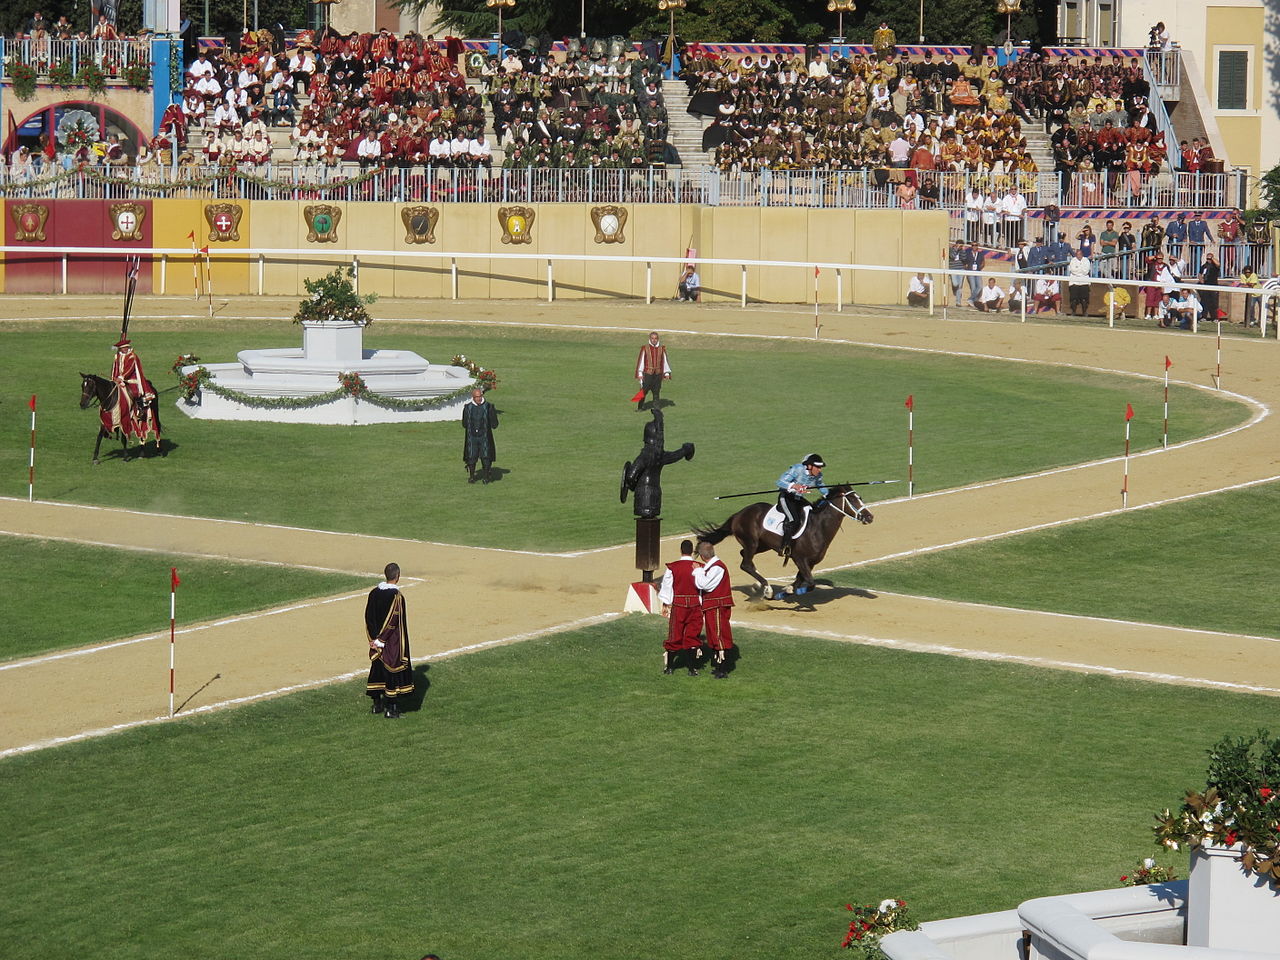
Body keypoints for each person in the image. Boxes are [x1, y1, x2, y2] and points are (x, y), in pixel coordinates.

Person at [365, 562, 414, 719]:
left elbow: (368, 617)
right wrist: (381, 640)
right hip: (390, 641)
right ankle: (391, 709)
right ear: (398, 576)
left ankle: (376, 704)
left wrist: (373, 639)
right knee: (391, 670)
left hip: (376, 641)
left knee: (377, 668)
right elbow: (393, 620)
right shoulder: (397, 597)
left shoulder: (373, 593)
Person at [657, 539, 703, 676]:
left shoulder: (673, 567)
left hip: (679, 605)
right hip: (695, 605)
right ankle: (692, 669)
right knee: (692, 635)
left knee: (674, 635)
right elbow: (702, 586)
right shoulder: (699, 566)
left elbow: (667, 585)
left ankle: (670, 668)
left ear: (681, 550)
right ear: (692, 551)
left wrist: (666, 602)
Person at [693, 540, 734, 679]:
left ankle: (723, 669)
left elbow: (704, 584)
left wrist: (698, 571)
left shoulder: (717, 567)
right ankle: (719, 666)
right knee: (713, 635)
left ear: (703, 556)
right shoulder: (714, 567)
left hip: (717, 606)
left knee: (719, 636)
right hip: (713, 606)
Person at [776, 453, 827, 554]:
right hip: (786, 498)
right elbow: (780, 482)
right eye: (817, 467)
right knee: (793, 520)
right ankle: (785, 546)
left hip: (798, 498)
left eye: (820, 467)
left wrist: (829, 494)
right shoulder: (797, 469)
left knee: (813, 513)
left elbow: (821, 485)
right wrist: (794, 485)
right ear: (809, 466)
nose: (819, 470)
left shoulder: (818, 475)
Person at [111, 338, 158, 442]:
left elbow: (130, 368)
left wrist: (122, 377)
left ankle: (139, 409)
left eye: (126, 348)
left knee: (135, 393)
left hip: (132, 381)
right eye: (123, 348)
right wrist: (113, 379)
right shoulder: (117, 357)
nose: (125, 349)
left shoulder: (132, 357)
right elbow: (115, 368)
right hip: (120, 381)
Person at [461, 387, 498, 484]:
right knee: (471, 456)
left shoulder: (489, 407)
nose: (479, 398)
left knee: (486, 456)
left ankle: (486, 477)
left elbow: (495, 424)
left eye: (480, 396)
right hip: (472, 436)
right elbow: (464, 424)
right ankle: (472, 476)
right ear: (473, 397)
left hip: (484, 436)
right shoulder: (467, 407)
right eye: (477, 397)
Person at [635, 331, 670, 411]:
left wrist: (666, 372)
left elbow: (664, 361)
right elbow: (641, 361)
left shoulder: (662, 348)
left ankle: (656, 408)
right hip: (648, 374)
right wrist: (640, 373)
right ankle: (640, 407)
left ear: (658, 339)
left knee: (656, 391)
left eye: (655, 338)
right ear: (650, 339)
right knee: (643, 391)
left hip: (657, 374)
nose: (654, 340)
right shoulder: (645, 348)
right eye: (652, 338)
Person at [1066, 249, 1092, 316]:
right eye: (1077, 254)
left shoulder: (1086, 260)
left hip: (1084, 281)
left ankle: (1084, 312)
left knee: (1084, 298)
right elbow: (1073, 270)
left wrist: (1079, 271)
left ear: (1082, 254)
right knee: (1073, 298)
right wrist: (1080, 272)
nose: (1079, 256)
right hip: (1074, 281)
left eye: (1080, 254)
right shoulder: (1073, 260)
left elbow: (1086, 271)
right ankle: (1073, 312)